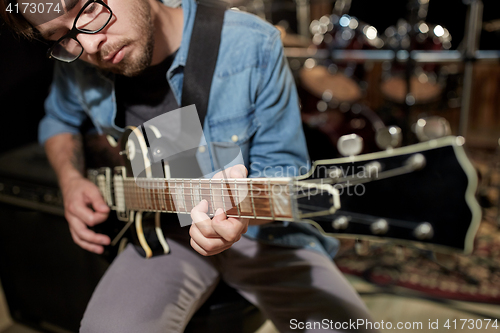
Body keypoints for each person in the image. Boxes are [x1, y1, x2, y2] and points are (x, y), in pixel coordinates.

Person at [1, 0, 380, 331]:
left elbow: (283, 171)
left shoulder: (251, 43)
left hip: (264, 237)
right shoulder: (76, 62)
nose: (88, 44)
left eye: (90, 10)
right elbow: (57, 120)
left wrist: (242, 215)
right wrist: (69, 179)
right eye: (62, 36)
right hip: (160, 235)